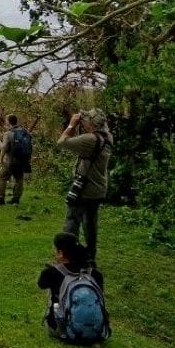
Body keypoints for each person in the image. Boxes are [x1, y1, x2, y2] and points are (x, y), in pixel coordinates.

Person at [57, 108, 113, 265]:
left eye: (86, 120)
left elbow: (61, 143)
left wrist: (71, 125)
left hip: (85, 188)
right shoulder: (107, 137)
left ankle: (68, 257)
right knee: (90, 224)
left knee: (72, 220)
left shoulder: (90, 139)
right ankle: (90, 257)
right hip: (99, 188)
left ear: (91, 124)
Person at [37, 232, 105, 338]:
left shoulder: (51, 272)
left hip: (62, 331)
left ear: (60, 253)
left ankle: (61, 326)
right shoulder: (95, 274)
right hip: (96, 332)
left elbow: (41, 284)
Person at [0, 113, 28, 206]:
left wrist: (0, 159)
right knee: (19, 179)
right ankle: (16, 199)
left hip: (10, 161)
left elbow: (4, 148)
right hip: (22, 161)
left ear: (8, 122)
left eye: (6, 120)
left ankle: (0, 198)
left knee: (0, 177)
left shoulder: (8, 133)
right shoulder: (24, 131)